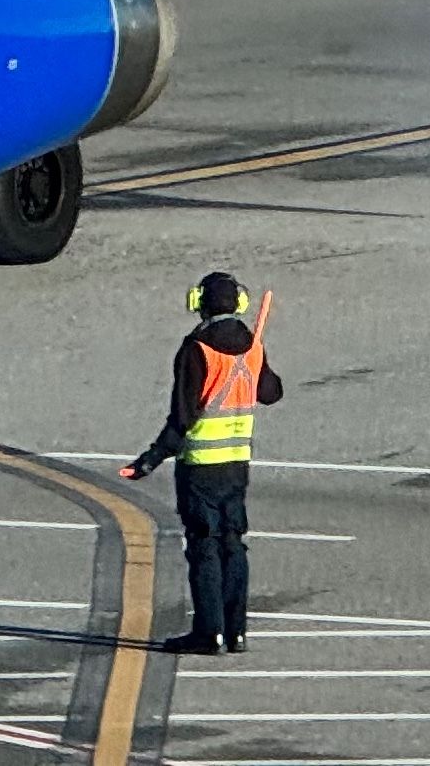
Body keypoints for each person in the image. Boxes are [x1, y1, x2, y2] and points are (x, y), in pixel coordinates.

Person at [121, 270, 285, 655]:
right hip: (236, 465)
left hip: (200, 467)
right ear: (239, 304)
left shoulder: (196, 348)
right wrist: (256, 359)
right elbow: (271, 393)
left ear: (200, 303)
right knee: (233, 543)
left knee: (203, 546)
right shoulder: (251, 344)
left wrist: (150, 460)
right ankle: (236, 631)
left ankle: (208, 632)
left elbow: (183, 416)